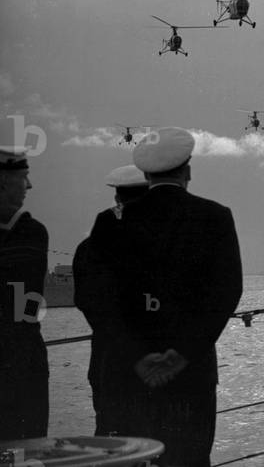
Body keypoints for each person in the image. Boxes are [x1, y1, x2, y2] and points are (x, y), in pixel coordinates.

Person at [90, 127, 243, 466]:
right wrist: (183, 355)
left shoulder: (110, 223)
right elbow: (228, 292)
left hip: (128, 377)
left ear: (145, 174)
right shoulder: (215, 217)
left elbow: (94, 298)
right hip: (190, 377)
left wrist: (137, 356)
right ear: (187, 171)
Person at [73, 164, 150, 436]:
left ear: (117, 199)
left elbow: (84, 300)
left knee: (112, 442)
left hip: (109, 361)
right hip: (159, 364)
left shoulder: (89, 247)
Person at [0, 145, 48, 440]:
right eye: (23, 177)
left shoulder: (31, 232)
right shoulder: (31, 232)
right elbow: (26, 309)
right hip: (22, 364)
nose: (28, 185)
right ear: (3, 181)